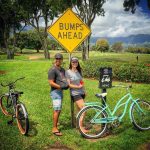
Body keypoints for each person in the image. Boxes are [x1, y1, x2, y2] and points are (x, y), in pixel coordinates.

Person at [48, 53, 68, 136]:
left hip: (60, 91)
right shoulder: (52, 70)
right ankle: (54, 128)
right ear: (55, 59)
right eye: (57, 58)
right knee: (57, 110)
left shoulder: (62, 70)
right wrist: (60, 87)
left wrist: (66, 85)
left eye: (60, 59)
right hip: (55, 92)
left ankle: (56, 123)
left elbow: (64, 79)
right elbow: (51, 83)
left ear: (62, 60)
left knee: (58, 109)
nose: (58, 60)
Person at [65, 57, 87, 132]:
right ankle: (81, 127)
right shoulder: (67, 72)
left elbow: (81, 81)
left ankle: (78, 125)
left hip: (81, 92)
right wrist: (78, 87)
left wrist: (84, 90)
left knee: (79, 110)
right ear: (71, 63)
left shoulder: (79, 71)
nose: (75, 63)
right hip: (75, 93)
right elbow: (69, 85)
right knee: (84, 110)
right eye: (73, 62)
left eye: (76, 62)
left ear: (78, 63)